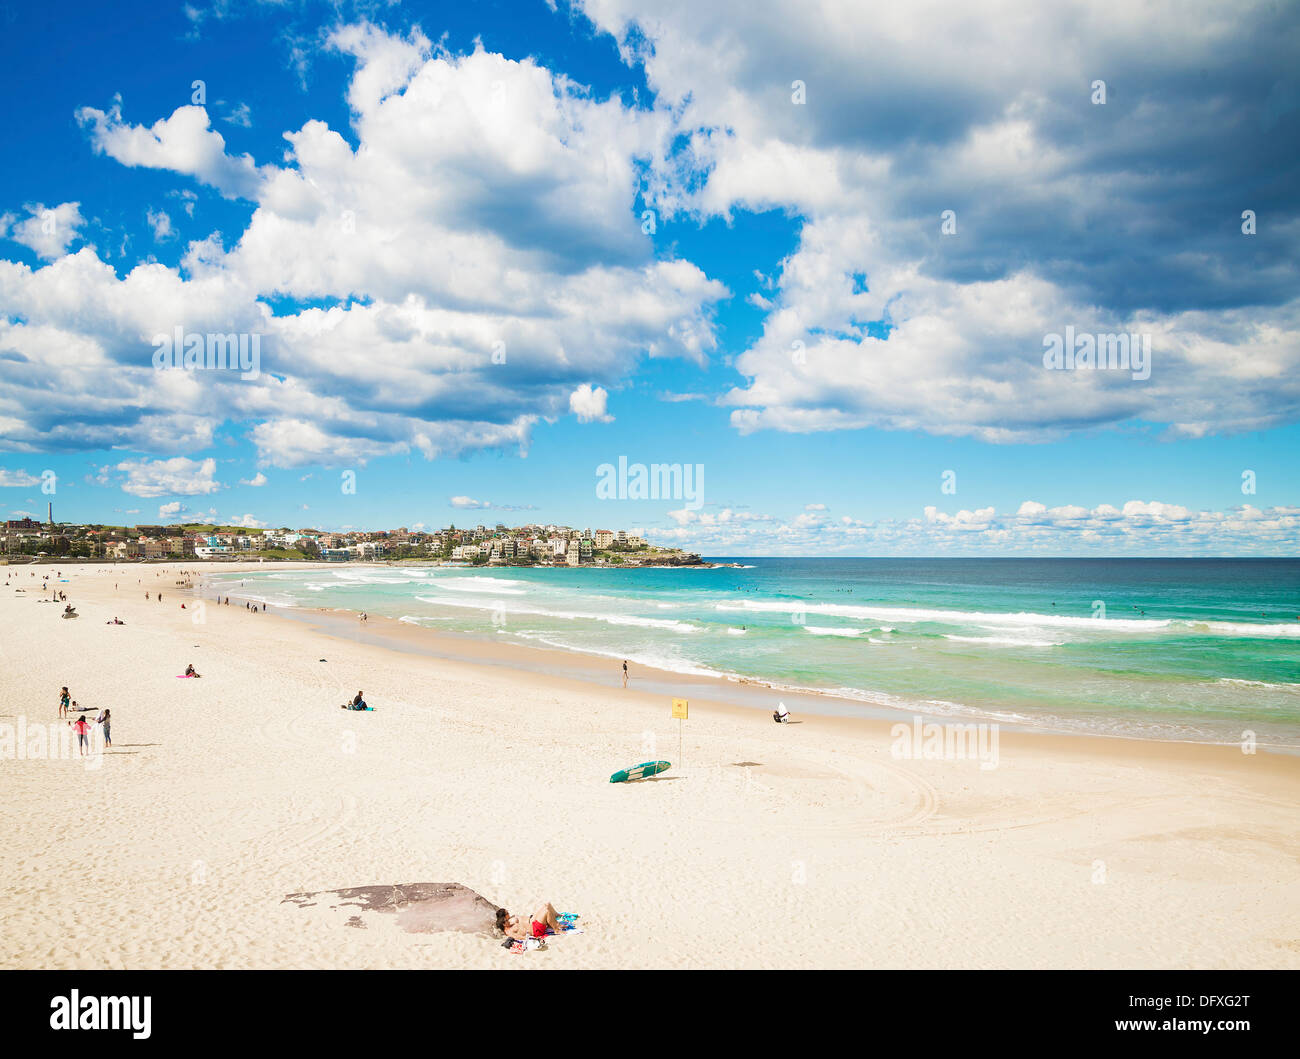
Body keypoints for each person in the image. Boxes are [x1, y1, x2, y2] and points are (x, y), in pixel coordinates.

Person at [497, 903, 564, 941]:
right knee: (546, 911)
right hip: (535, 930)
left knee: (547, 906)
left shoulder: (510, 926)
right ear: (504, 924)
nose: (508, 921)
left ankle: (556, 924)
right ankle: (556, 929)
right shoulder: (509, 931)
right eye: (506, 921)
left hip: (534, 926)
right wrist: (533, 939)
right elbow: (517, 937)